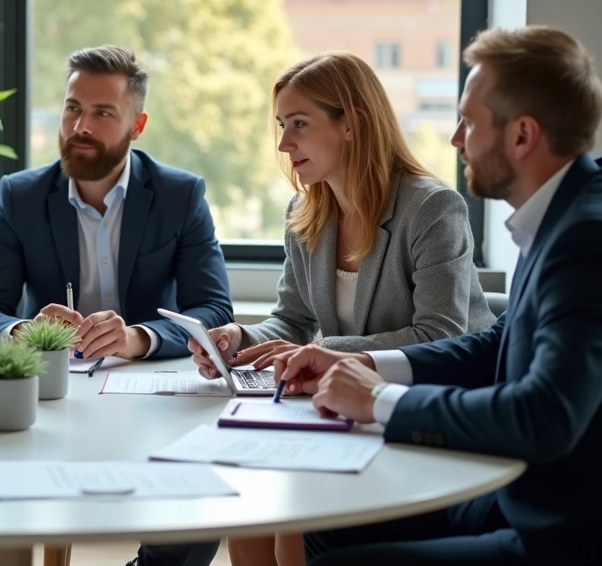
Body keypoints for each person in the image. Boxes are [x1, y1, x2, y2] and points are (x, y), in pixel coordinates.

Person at [276, 26, 602, 565]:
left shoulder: (592, 236)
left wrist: (376, 399)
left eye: (468, 121)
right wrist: (365, 363)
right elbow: (496, 341)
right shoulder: (571, 209)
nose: (455, 139)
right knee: (319, 523)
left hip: (567, 529)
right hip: (518, 493)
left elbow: (543, 416)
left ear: (521, 136)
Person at [185, 52, 496, 566]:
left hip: (426, 417)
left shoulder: (432, 208)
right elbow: (290, 319)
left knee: (290, 513)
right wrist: (239, 339)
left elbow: (440, 334)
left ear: (350, 124)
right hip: (339, 411)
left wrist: (323, 351)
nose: (284, 144)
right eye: (282, 126)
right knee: (247, 503)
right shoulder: (305, 213)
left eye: (300, 125)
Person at [0, 45, 232, 566]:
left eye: (103, 113)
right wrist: (22, 332)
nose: (80, 125)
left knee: (198, 506)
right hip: (54, 403)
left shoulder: (180, 195)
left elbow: (214, 310)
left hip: (152, 404)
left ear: (137, 124)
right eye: (72, 107)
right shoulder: (21, 196)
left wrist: (138, 337)